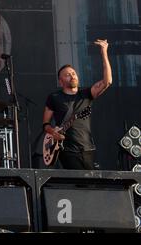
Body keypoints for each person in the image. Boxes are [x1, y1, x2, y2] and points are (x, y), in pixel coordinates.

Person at [42, 39, 112, 169]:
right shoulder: (54, 97)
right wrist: (53, 132)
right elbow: (45, 124)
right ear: (61, 81)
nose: (72, 76)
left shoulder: (86, 94)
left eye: (73, 73)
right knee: (78, 183)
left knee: (90, 185)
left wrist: (104, 52)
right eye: (67, 75)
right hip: (66, 149)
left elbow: (107, 82)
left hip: (87, 148)